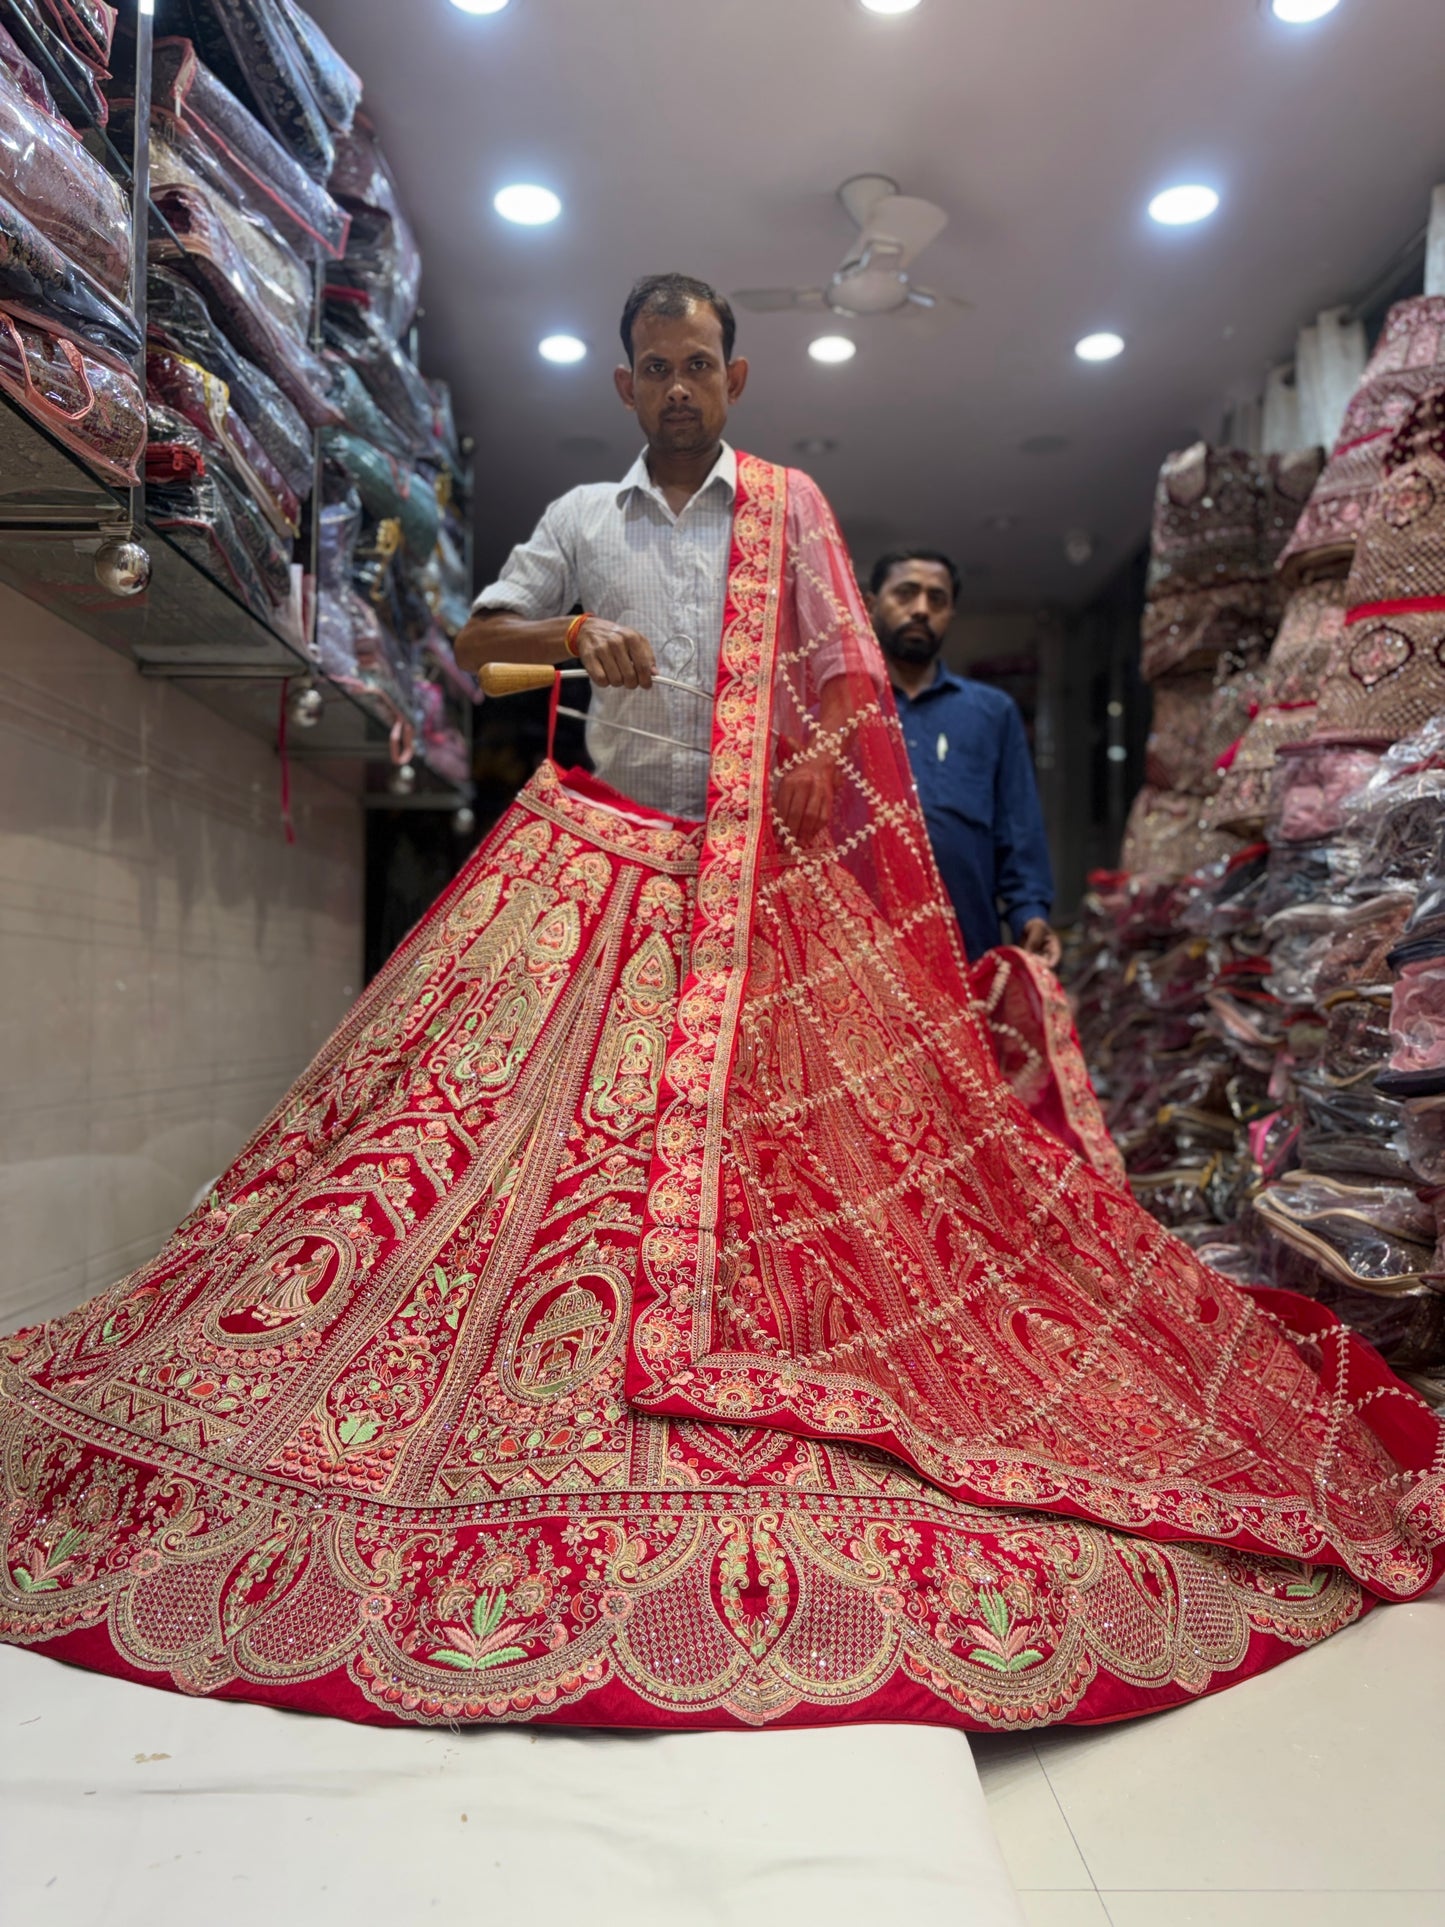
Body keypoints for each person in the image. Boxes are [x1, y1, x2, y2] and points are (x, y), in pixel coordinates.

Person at [1, 274, 1439, 1737]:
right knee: (526, 1151)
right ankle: (542, 1377)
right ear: (625, 385)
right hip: (602, 870)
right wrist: (574, 643)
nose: (680, 387)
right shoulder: (580, 522)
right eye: (656, 367)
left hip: (759, 896)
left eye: (701, 364)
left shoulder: (787, 516)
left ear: (734, 379)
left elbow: (835, 705)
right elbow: (482, 650)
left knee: (809, 1173)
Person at [868, 548, 1060, 966]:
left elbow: (1018, 825)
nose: (921, 609)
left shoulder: (991, 713)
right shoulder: (842, 709)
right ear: (871, 604)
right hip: (859, 951)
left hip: (966, 947)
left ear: (951, 613)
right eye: (906, 594)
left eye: (937, 599)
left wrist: (1030, 912)